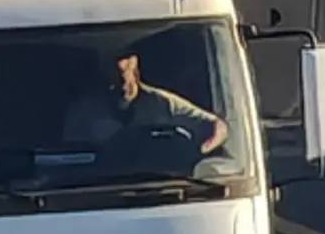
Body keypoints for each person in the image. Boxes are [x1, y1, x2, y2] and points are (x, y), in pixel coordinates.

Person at [65, 47, 227, 157]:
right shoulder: (83, 113)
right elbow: (71, 158)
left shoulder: (162, 103)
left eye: (123, 79)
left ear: (134, 72)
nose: (120, 88)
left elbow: (215, 124)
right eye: (111, 81)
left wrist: (206, 148)